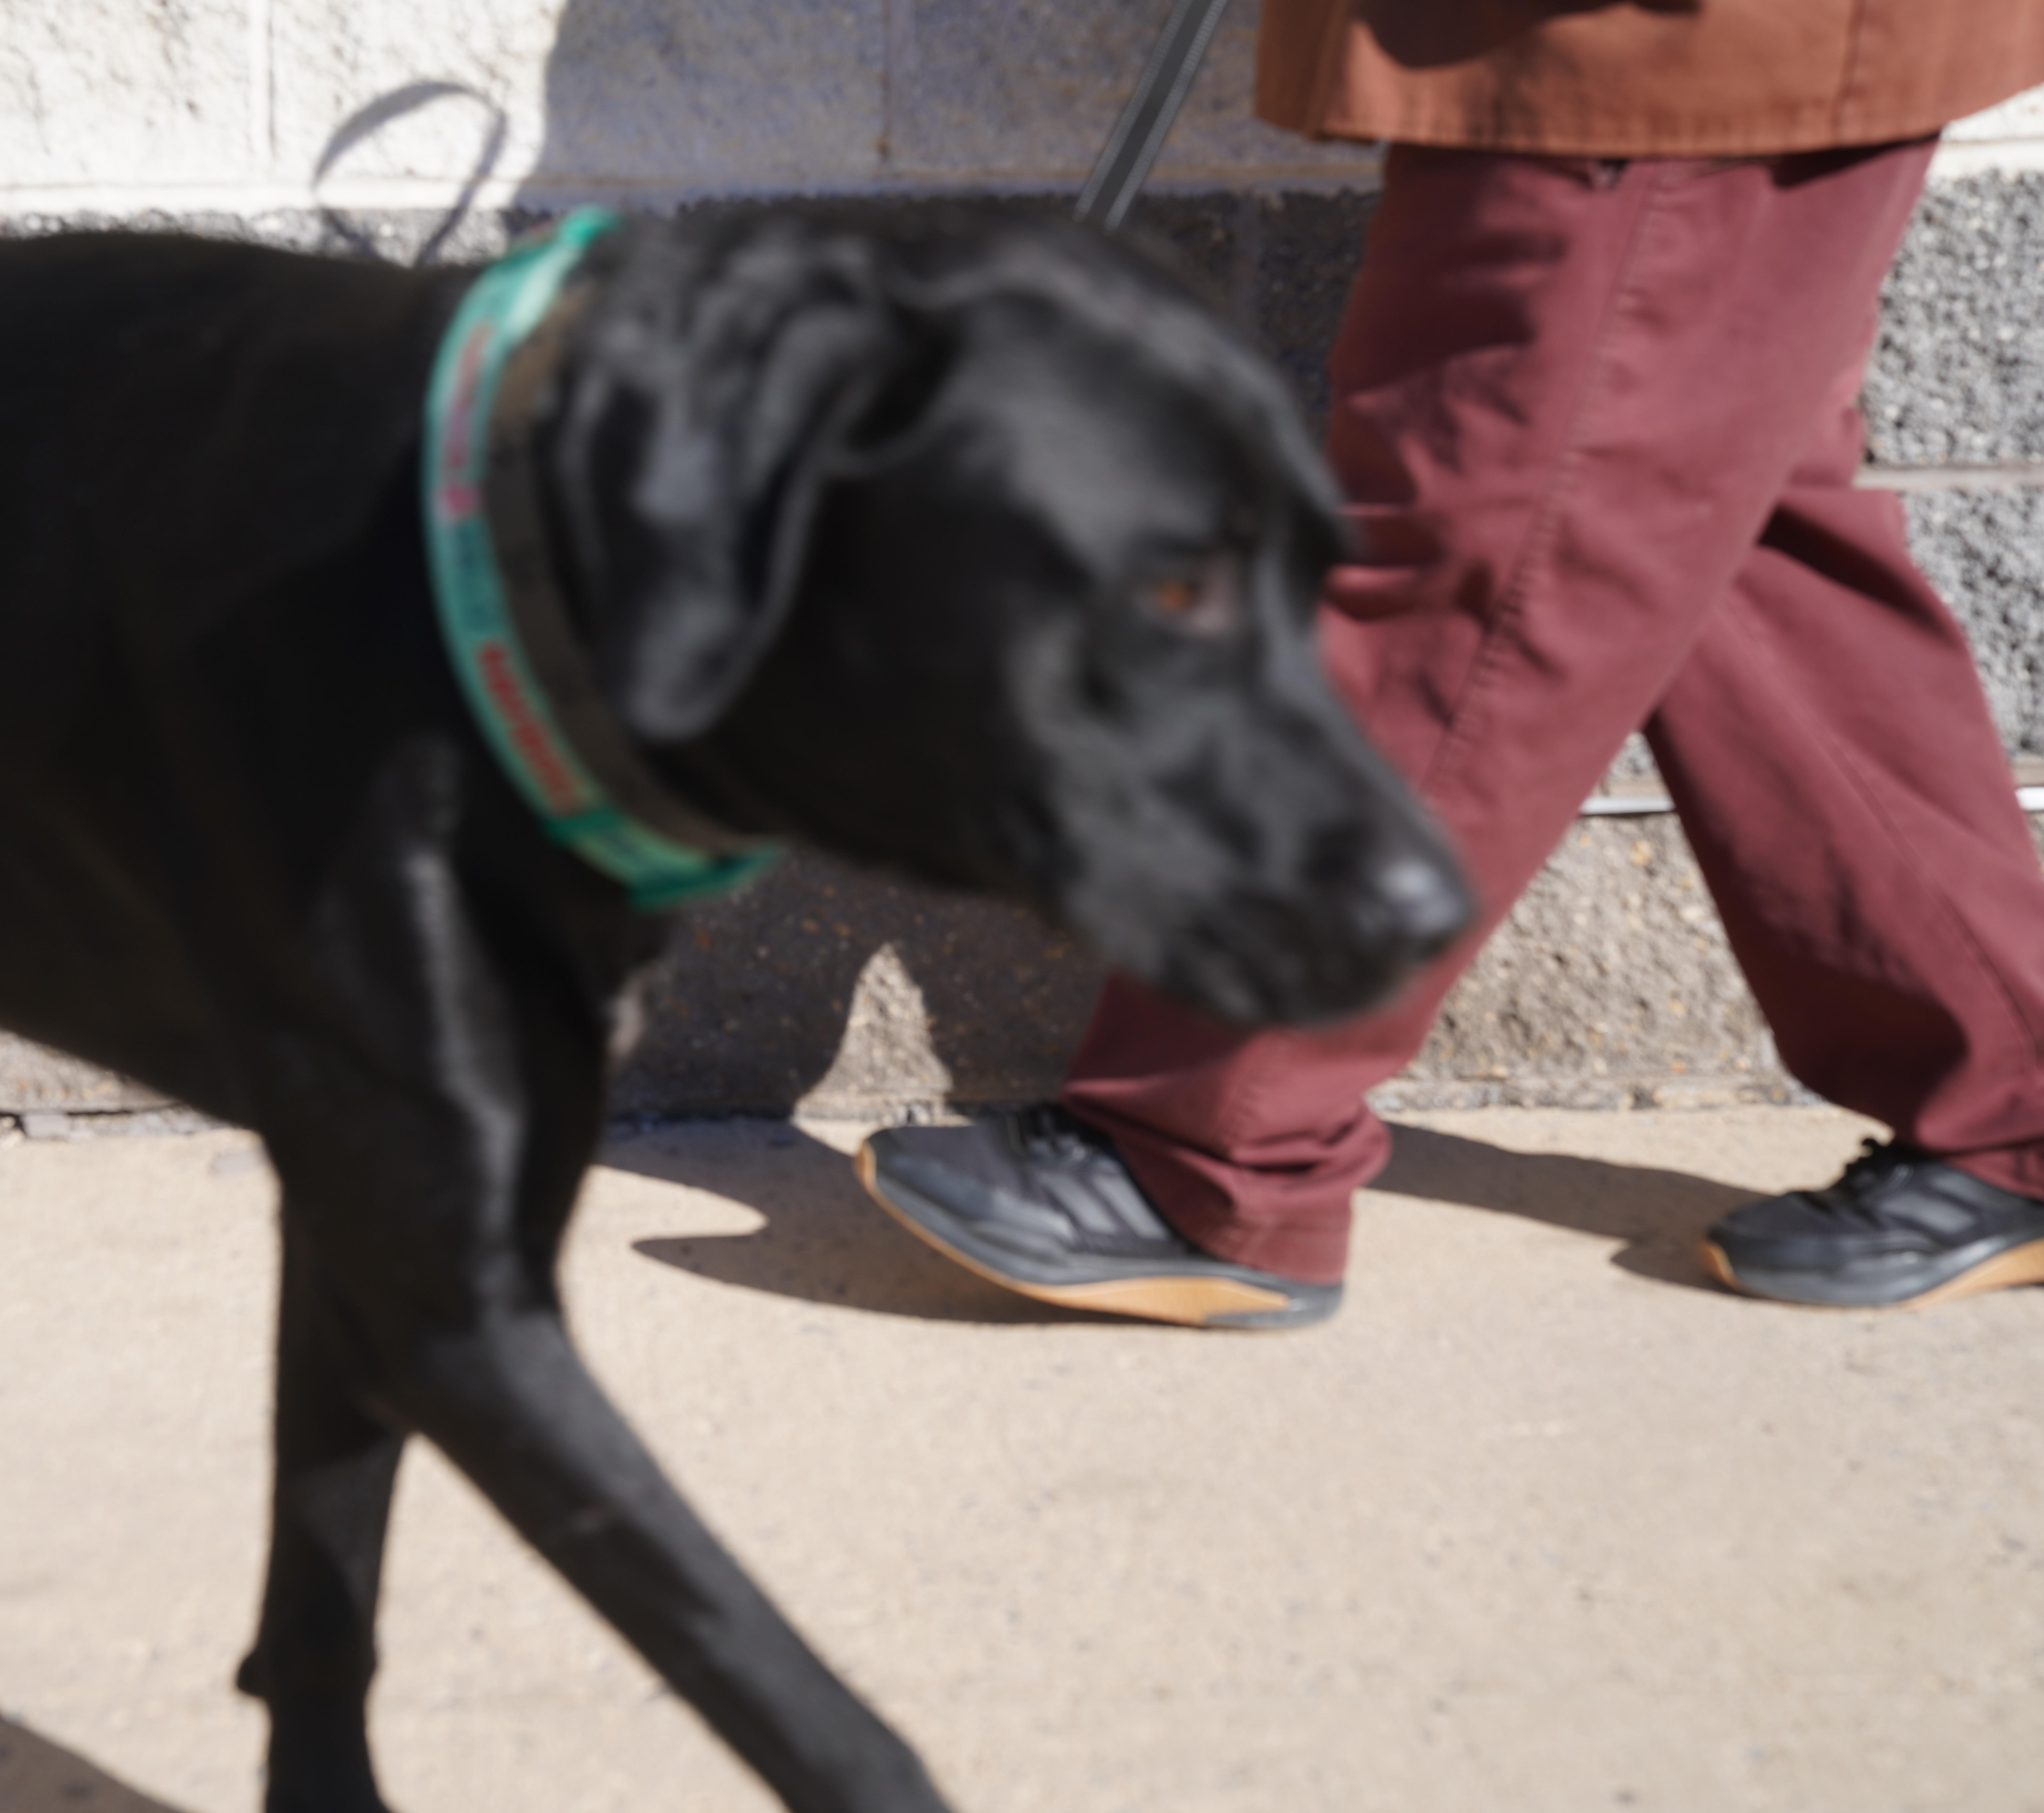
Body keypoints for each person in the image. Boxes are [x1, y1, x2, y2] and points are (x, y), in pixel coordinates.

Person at [857, 2, 2044, 1329]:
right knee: (1715, 524)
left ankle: (1202, 1152)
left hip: (1653, 45)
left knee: (1477, 535)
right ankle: (2016, 1102)